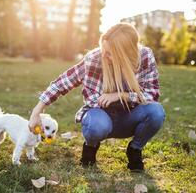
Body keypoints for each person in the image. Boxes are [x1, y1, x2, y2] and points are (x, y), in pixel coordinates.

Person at [28, 23, 165, 171]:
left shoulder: (144, 56)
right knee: (97, 125)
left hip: (130, 118)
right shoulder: (94, 58)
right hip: (100, 118)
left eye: (110, 52)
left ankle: (135, 149)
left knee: (156, 112)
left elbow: (152, 94)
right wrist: (37, 111)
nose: (104, 55)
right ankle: (90, 148)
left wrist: (121, 95)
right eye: (103, 50)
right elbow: (62, 83)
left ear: (126, 53)